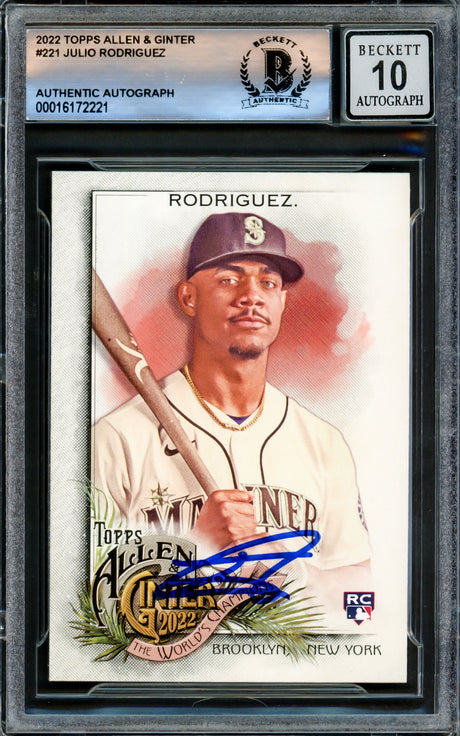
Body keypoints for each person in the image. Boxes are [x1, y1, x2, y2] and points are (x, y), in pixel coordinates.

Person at [92, 212, 371, 619]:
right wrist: (194, 549)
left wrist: (290, 576)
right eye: (228, 279)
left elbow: (361, 598)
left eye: (268, 283)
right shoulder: (117, 439)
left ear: (282, 301)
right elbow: (85, 608)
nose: (251, 295)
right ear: (188, 297)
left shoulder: (323, 443)